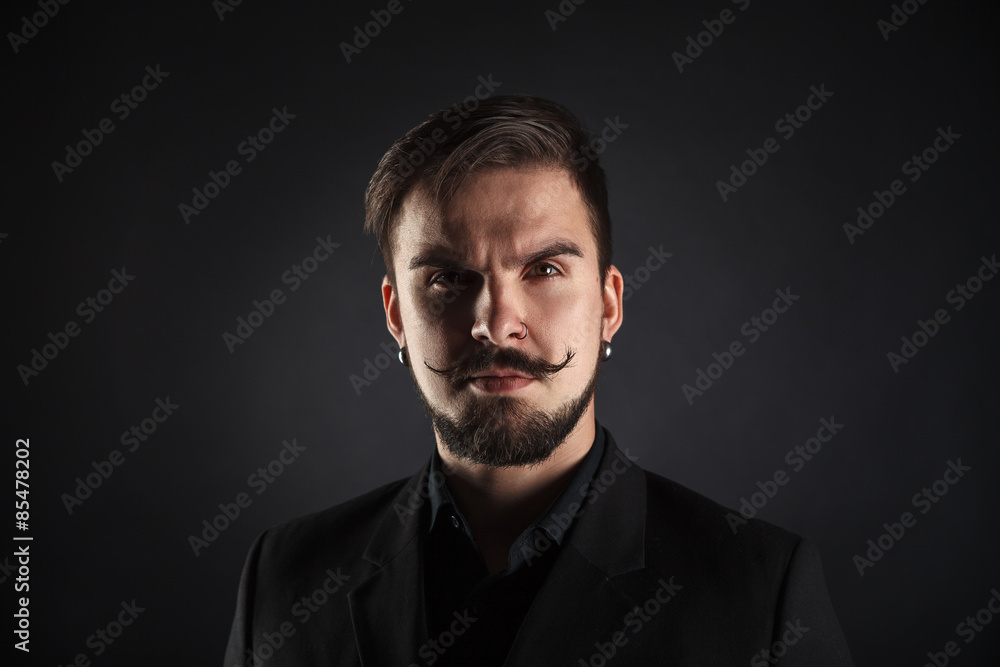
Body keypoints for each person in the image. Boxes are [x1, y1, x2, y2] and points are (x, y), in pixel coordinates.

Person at [223, 94, 854, 666]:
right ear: (397, 317)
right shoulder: (286, 576)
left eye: (544, 269)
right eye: (447, 279)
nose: (496, 324)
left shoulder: (760, 590)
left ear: (609, 305)